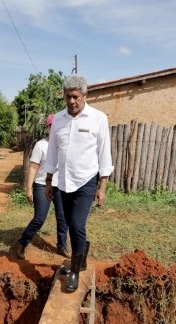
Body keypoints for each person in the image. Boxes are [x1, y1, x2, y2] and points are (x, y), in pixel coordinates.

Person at [44, 74, 114, 292]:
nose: (72, 101)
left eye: (75, 97)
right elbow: (53, 151)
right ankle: (80, 261)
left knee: (76, 224)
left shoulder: (98, 118)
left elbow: (104, 152)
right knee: (66, 223)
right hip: (62, 181)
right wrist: (48, 179)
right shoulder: (58, 120)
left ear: (85, 95)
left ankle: (74, 270)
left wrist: (103, 185)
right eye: (67, 97)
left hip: (86, 181)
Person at [15, 114, 69, 260]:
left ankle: (62, 245)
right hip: (41, 185)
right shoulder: (41, 145)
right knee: (39, 218)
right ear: (48, 127)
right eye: (52, 126)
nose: (55, 128)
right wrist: (28, 189)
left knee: (63, 218)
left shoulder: (65, 145)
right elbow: (32, 167)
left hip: (61, 186)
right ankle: (22, 243)